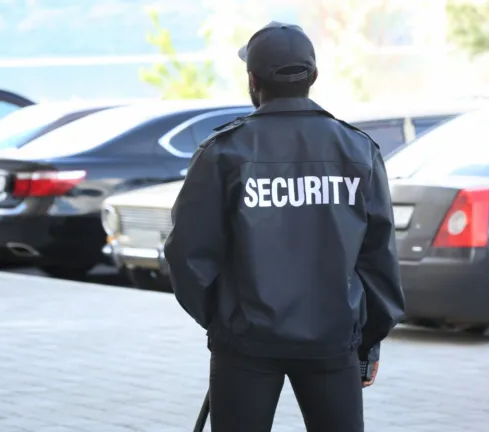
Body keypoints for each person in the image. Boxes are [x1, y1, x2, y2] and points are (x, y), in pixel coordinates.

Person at [164, 21, 405, 432]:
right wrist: (368, 339)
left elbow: (187, 255)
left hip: (245, 343)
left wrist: (225, 321)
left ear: (253, 80)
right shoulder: (358, 150)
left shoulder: (224, 151)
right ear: (313, 76)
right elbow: (378, 258)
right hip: (332, 342)